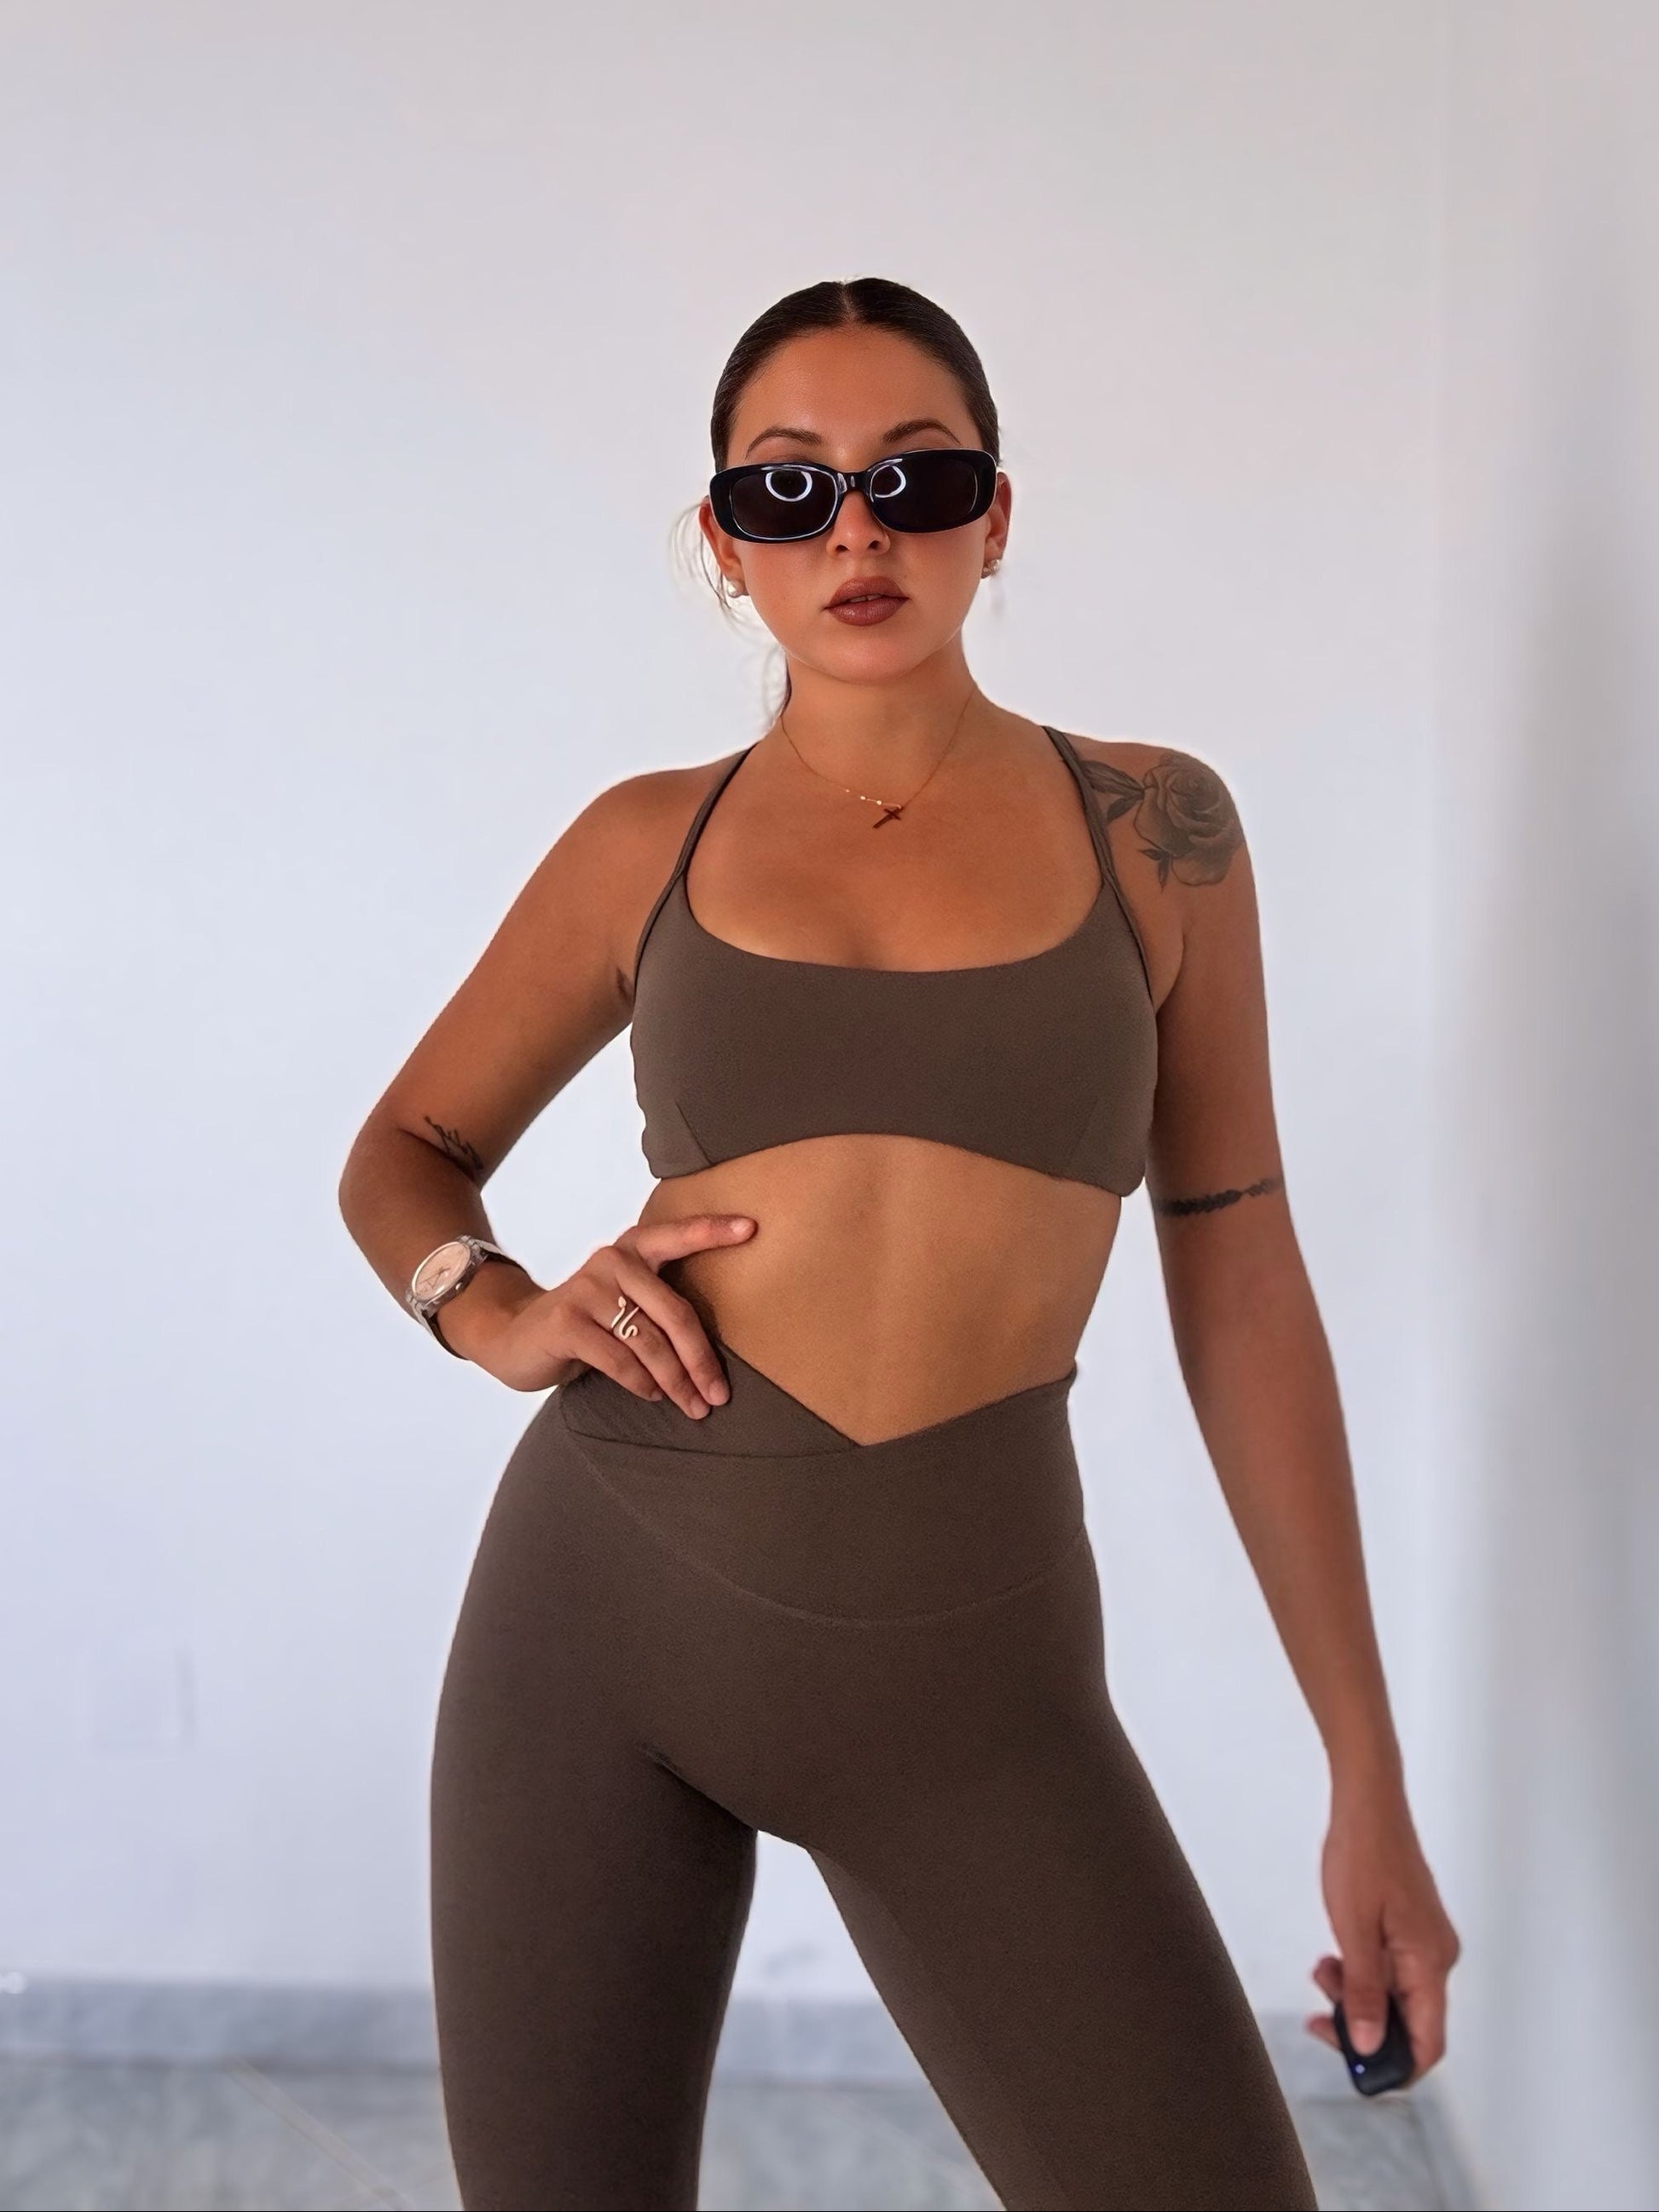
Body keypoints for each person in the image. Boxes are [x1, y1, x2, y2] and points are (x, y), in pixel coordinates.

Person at [338, 275, 1460, 2212]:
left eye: (913, 477)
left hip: (973, 1679)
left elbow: (1240, 1274)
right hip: (599, 1623)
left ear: (994, 516)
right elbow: (406, 1153)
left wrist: (1364, 1770)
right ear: (723, 545)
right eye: (786, 489)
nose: (853, 529)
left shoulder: (1156, 829)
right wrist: (491, 1308)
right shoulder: (643, 843)